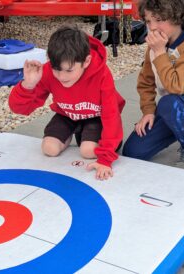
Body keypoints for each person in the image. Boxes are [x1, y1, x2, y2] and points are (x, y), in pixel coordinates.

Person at [9, 25, 125, 180]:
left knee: (88, 151)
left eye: (69, 70)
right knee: (49, 149)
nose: (62, 76)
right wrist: (27, 85)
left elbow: (111, 115)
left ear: (86, 61)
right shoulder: (48, 71)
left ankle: (86, 136)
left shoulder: (102, 74)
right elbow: (19, 109)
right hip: (67, 114)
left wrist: (105, 159)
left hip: (95, 116)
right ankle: (75, 132)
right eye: (57, 69)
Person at [122, 0, 184, 171]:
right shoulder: (158, 42)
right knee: (133, 152)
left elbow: (176, 86)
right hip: (175, 108)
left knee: (169, 103)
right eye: (148, 21)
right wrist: (148, 111)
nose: (152, 27)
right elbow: (146, 80)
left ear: (177, 16)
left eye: (159, 19)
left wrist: (160, 52)